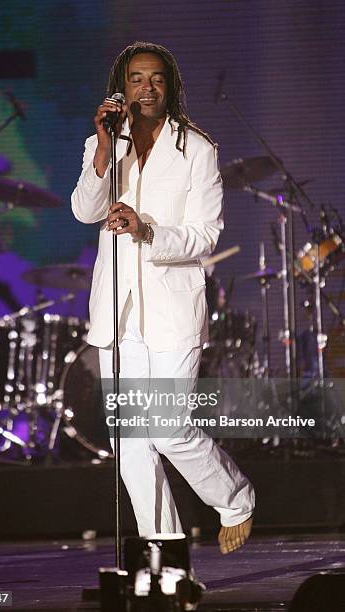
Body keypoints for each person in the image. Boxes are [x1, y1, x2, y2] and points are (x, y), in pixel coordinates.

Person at [71, 41, 254, 554]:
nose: (146, 87)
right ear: (121, 86)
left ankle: (235, 497)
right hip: (118, 311)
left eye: (156, 78)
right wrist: (105, 150)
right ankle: (165, 552)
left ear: (169, 85)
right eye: (136, 78)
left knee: (169, 428)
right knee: (130, 442)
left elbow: (205, 234)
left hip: (172, 307)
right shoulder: (104, 144)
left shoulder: (196, 149)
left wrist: (146, 230)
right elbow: (85, 211)